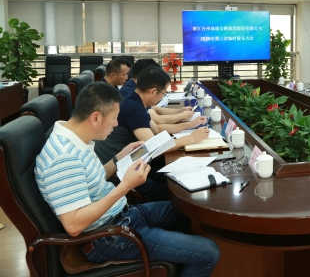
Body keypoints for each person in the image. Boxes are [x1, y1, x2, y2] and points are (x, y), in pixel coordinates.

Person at [34, 82, 219, 276]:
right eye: (114, 118)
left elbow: (92, 181)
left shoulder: (75, 139)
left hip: (123, 216)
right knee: (208, 252)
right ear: (95, 118)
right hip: (108, 238)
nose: (116, 124)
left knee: (191, 212)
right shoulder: (64, 158)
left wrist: (119, 158)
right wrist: (125, 186)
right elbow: (74, 225)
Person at [95, 67, 209, 200]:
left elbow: (157, 129)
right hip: (120, 173)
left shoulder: (136, 100)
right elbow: (154, 147)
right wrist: (190, 138)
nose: (163, 97)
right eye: (163, 93)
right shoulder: (133, 108)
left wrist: (190, 125)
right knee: (177, 191)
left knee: (178, 177)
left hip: (133, 162)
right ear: (153, 91)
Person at [120, 58, 201, 134]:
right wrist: (182, 117)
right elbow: (157, 121)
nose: (162, 97)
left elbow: (154, 115)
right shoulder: (130, 96)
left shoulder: (137, 93)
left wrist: (180, 111)